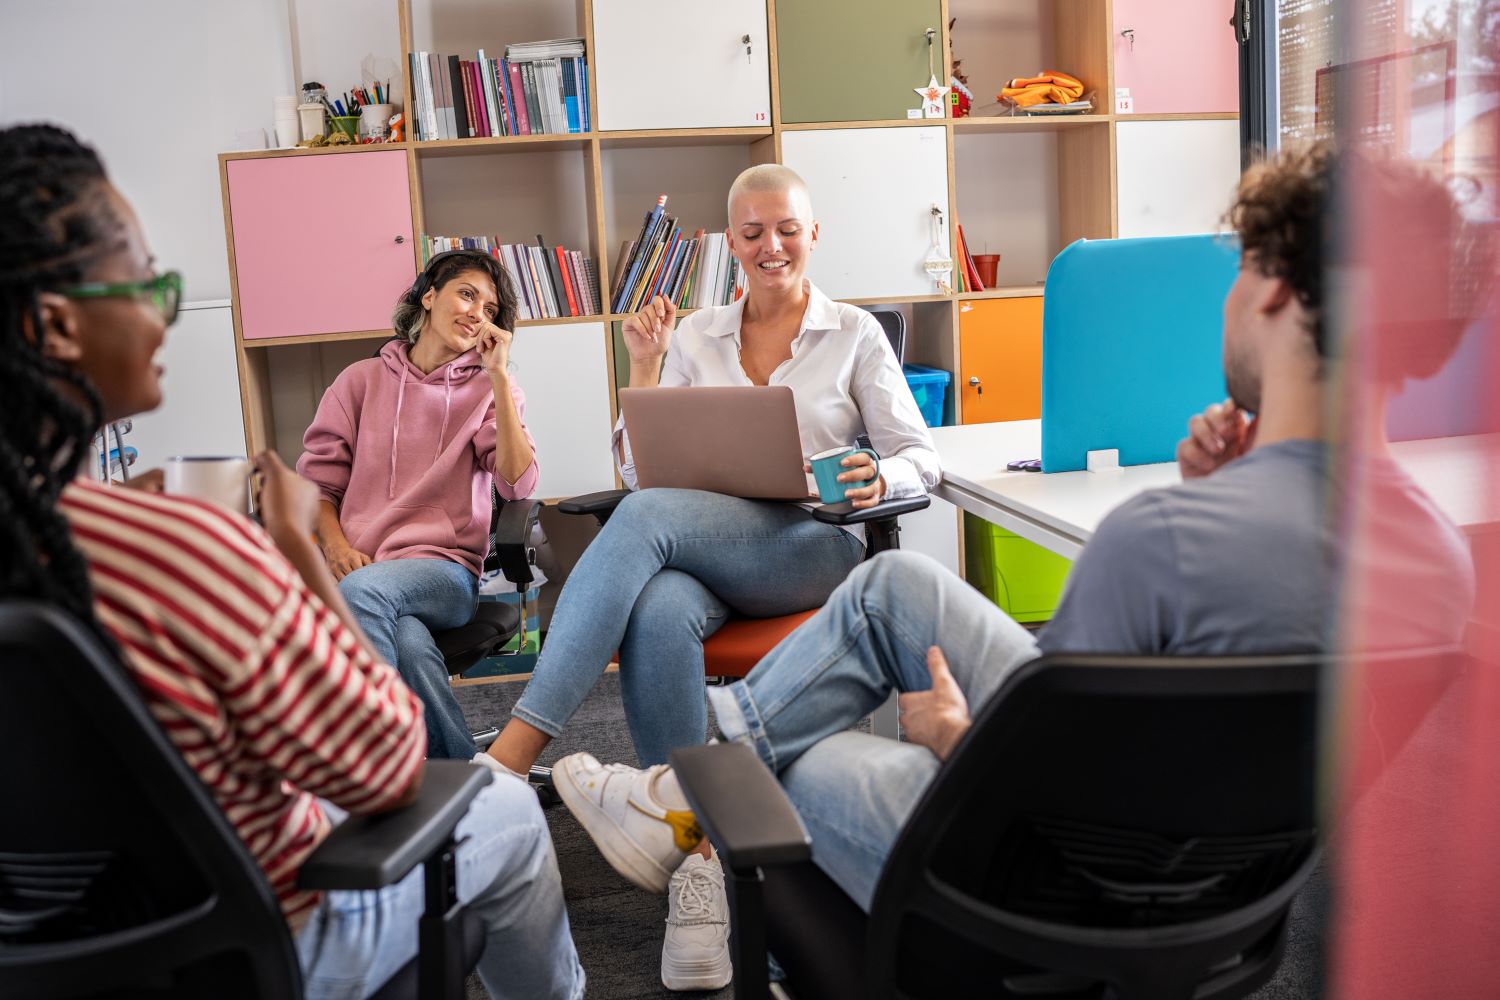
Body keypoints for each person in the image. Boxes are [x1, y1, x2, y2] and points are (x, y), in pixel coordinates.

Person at [548, 143, 1480, 916]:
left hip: (1036, 889)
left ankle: (677, 798)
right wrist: (1234, 487)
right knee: (893, 585)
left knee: (799, 761)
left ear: (1274, 292)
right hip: (1223, 895)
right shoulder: (1442, 565)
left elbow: (1048, 777)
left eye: (1241, 272)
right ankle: (673, 797)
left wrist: (958, 737)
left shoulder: (1159, 537)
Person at [0, 123, 583, 999]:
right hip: (254, 946)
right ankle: (481, 781)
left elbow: (519, 483)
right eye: (150, 282)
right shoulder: (193, 542)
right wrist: (298, 557)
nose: (165, 311)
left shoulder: (83, 544)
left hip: (71, 966)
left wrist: (500, 381)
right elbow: (383, 769)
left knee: (381, 611)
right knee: (493, 801)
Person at [485, 163, 941, 990]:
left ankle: (512, 756)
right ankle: (695, 866)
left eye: (787, 229)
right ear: (731, 241)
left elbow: (920, 456)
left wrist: (882, 476)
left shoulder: (854, 334)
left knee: (644, 519)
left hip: (812, 544)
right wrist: (646, 366)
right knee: (659, 605)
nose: (772, 246)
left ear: (812, 233)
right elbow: (642, 467)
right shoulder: (697, 334)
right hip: (704, 551)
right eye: (753, 232)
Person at [297, 248, 539, 760]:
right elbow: (317, 488)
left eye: (490, 310)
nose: (477, 313)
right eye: (467, 294)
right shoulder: (359, 382)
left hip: (444, 573)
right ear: (428, 297)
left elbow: (517, 485)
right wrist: (335, 547)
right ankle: (468, 783)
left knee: (363, 595)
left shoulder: (492, 390)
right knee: (408, 645)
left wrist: (498, 378)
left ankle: (377, 763)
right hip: (364, 567)